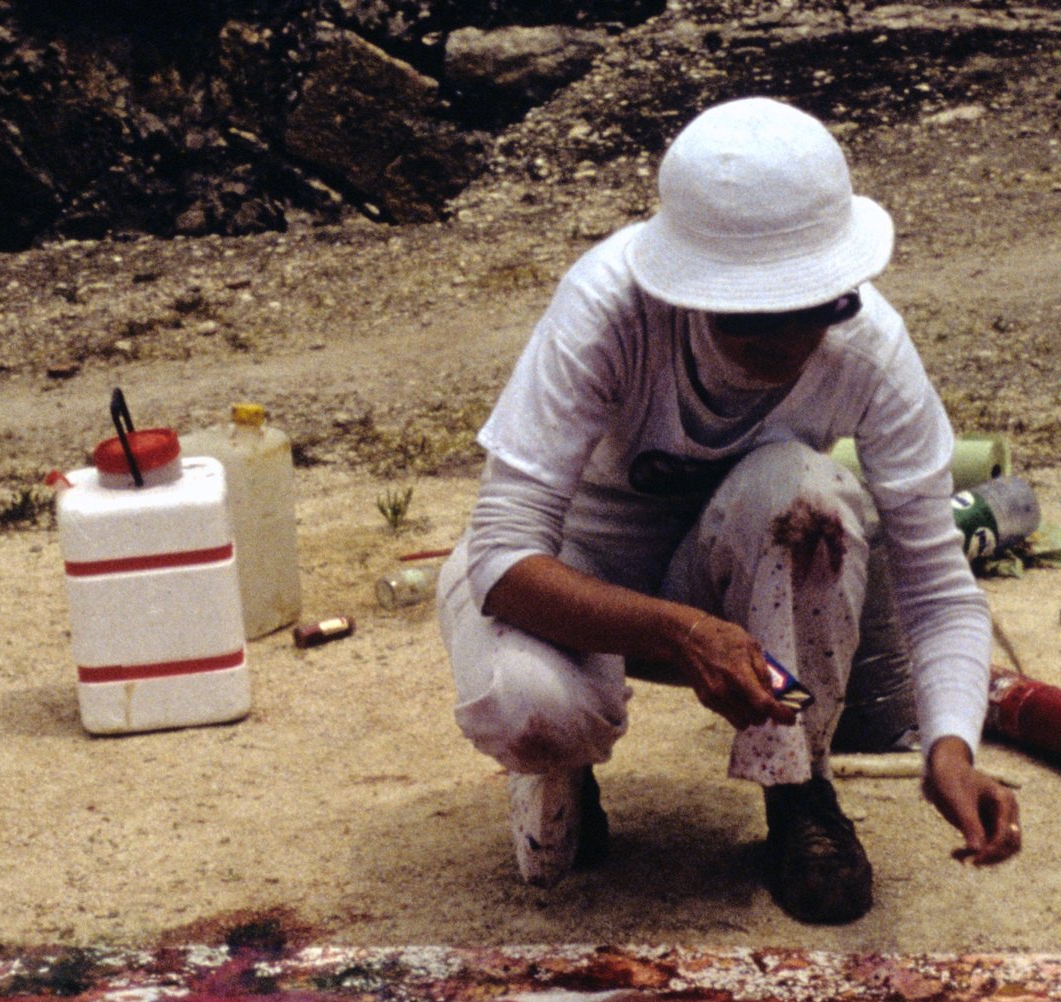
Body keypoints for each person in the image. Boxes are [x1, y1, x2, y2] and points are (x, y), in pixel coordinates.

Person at [436, 96, 1021, 924]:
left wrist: (950, 746)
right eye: (753, 316)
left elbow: (936, 582)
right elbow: (501, 556)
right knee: (532, 708)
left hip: (721, 583)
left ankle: (797, 787)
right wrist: (680, 633)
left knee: (812, 501)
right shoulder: (609, 309)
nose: (786, 338)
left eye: (811, 306)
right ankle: (567, 764)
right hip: (576, 580)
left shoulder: (868, 347)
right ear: (689, 290)